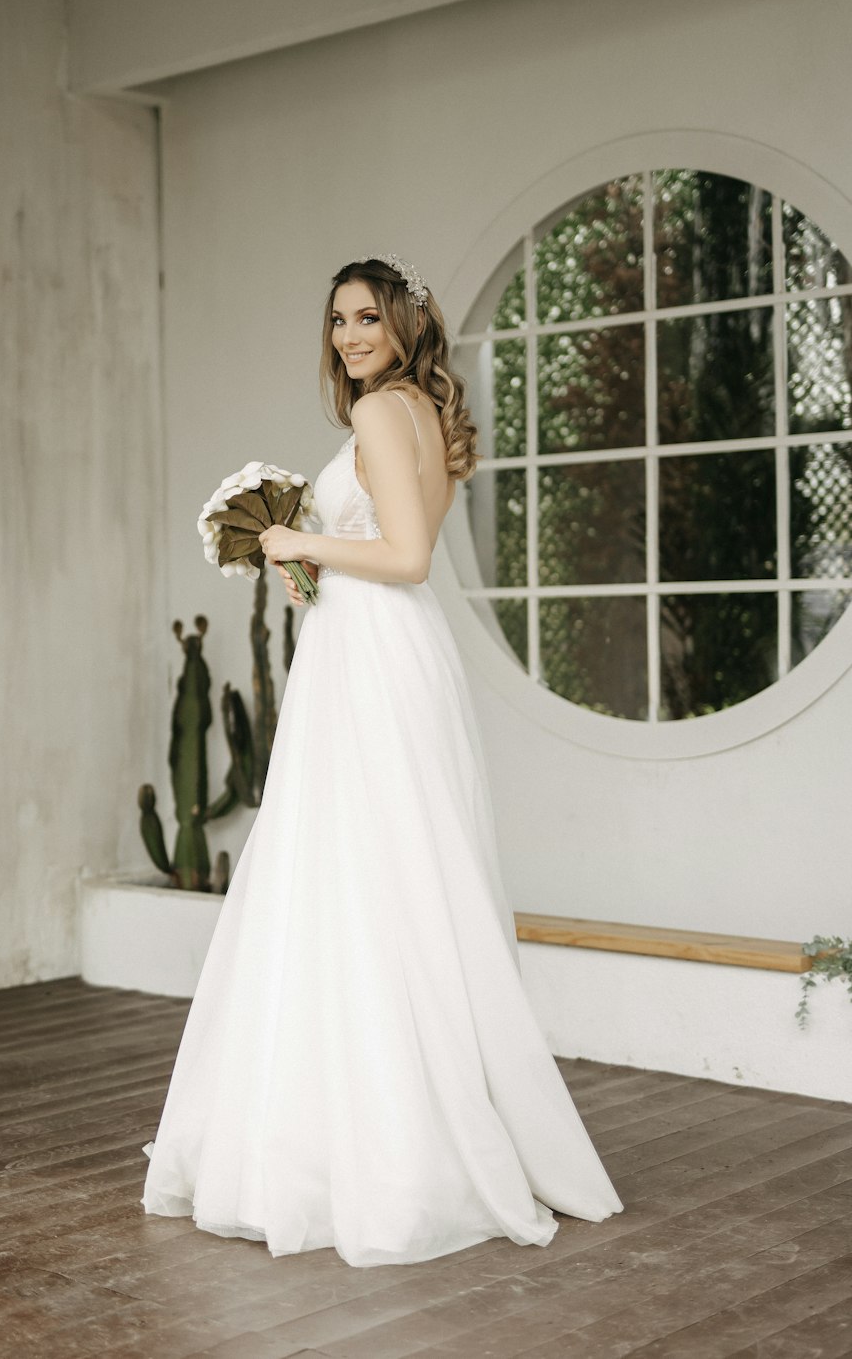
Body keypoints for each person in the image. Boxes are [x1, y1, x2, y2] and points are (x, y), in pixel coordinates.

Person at [141, 254, 623, 1267]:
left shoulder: (374, 417)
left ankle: (374, 1150)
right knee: (395, 882)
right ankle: (398, 1127)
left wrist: (293, 544)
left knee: (360, 881)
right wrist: (313, 557)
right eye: (336, 321)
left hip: (371, 663)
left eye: (366, 316)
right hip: (393, 654)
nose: (348, 335)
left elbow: (401, 556)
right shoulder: (424, 414)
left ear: (405, 321)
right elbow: (404, 553)